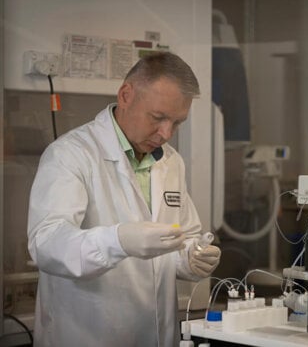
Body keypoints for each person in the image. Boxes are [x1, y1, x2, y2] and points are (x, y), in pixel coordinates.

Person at [27, 52, 221, 347]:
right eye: (158, 118)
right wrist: (116, 241)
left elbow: (181, 239)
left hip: (157, 335)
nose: (166, 133)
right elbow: (46, 243)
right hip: (87, 336)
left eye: (177, 122)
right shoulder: (70, 154)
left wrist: (192, 259)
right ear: (126, 95)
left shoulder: (170, 161)